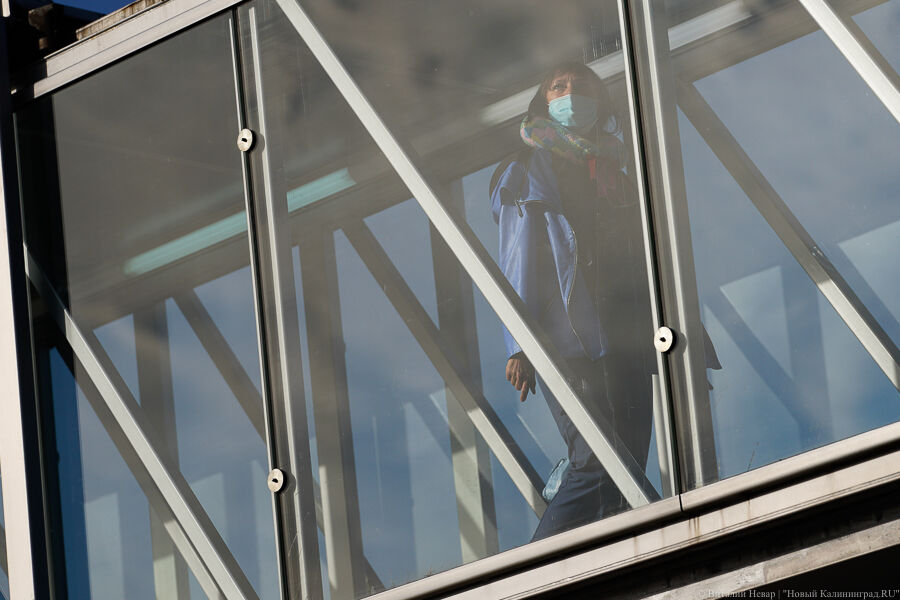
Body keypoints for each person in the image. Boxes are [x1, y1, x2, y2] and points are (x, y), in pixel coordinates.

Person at [490, 61, 655, 541]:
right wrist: (520, 344)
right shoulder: (527, 169)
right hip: (569, 340)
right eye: (558, 87)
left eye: (581, 86)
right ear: (543, 102)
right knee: (596, 462)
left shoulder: (616, 174)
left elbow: (648, 261)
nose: (570, 94)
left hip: (627, 338)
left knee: (627, 467)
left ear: (601, 101)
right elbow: (518, 256)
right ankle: (537, 571)